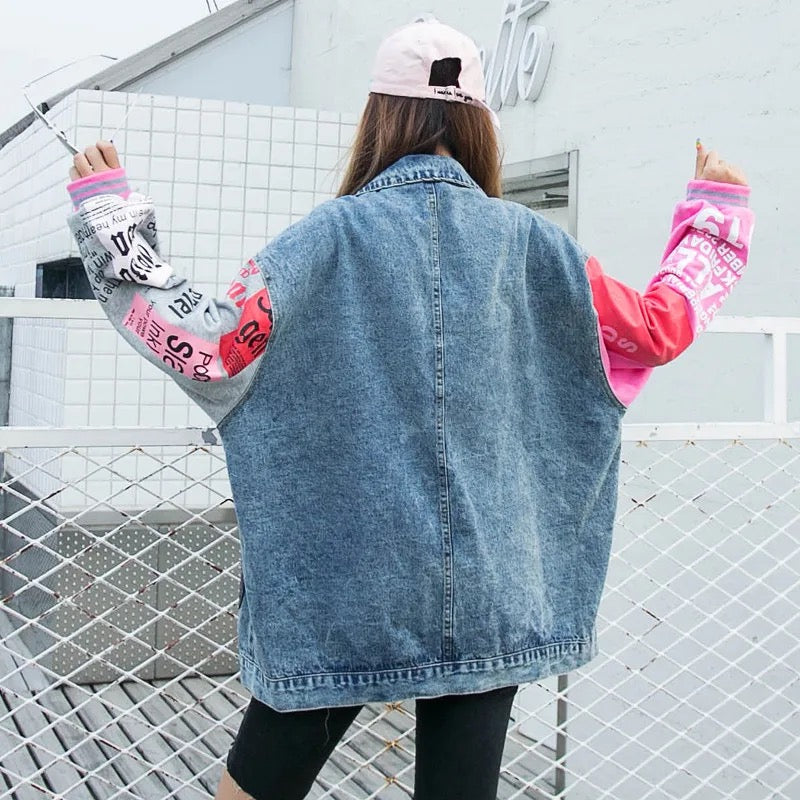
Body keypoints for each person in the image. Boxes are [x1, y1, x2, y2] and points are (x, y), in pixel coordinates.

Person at [64, 16, 754, 800]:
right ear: (480, 125)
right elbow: (656, 329)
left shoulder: (320, 242)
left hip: (341, 592)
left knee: (255, 789)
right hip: (493, 586)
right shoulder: (540, 247)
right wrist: (715, 212)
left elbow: (211, 346)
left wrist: (111, 218)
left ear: (378, 118)